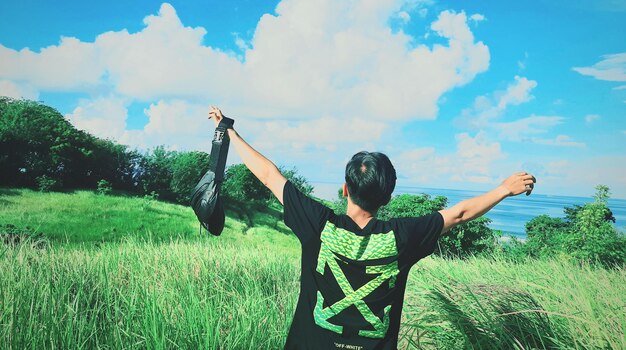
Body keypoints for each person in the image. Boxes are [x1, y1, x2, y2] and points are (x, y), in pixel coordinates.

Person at [207, 106, 536, 350]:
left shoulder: (317, 224)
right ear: (388, 196)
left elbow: (268, 174)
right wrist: (504, 188)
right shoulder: (403, 237)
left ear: (345, 189)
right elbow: (460, 214)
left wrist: (230, 132)